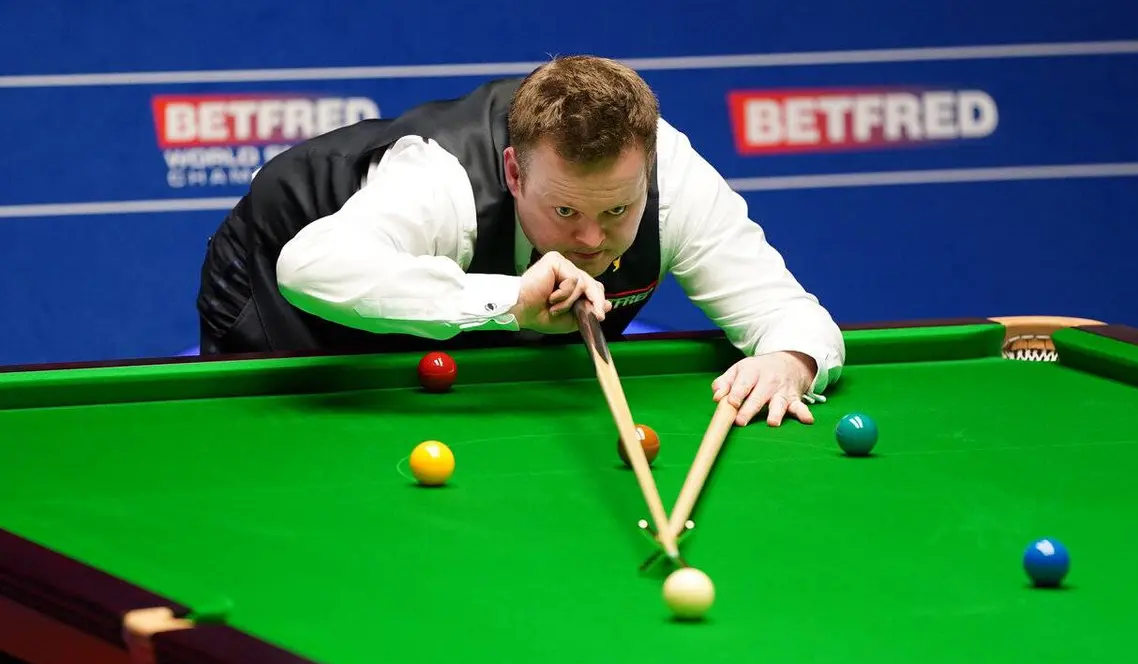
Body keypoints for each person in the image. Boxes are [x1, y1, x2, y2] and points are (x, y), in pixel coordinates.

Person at [197, 55, 844, 427]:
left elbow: (789, 312)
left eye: (618, 209)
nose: (591, 239)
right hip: (283, 283)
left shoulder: (675, 180)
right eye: (565, 209)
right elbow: (309, 267)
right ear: (514, 173)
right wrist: (509, 301)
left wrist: (791, 360)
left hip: (453, 285)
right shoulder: (441, 181)